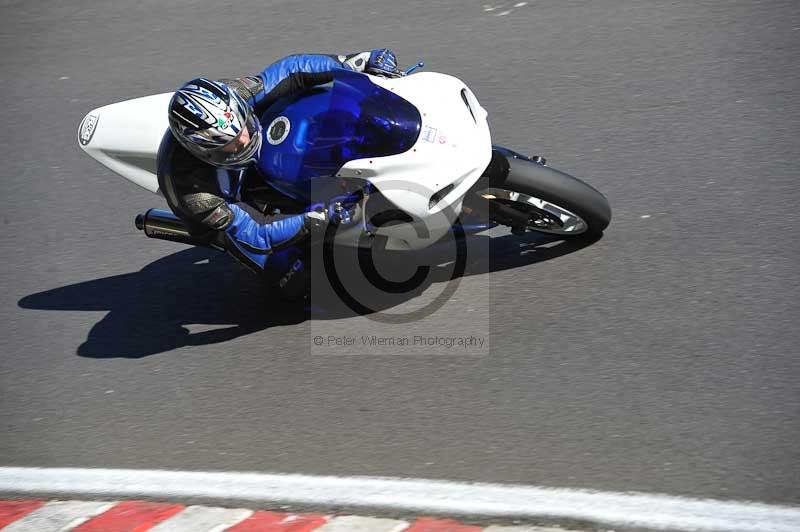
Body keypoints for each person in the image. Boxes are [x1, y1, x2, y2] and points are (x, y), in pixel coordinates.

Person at [158, 49, 400, 292]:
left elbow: (291, 71)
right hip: (231, 209)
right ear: (204, 151)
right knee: (290, 279)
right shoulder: (197, 196)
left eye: (243, 126)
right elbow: (257, 230)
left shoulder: (234, 97)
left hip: (249, 167)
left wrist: (353, 62)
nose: (244, 139)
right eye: (230, 143)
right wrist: (316, 218)